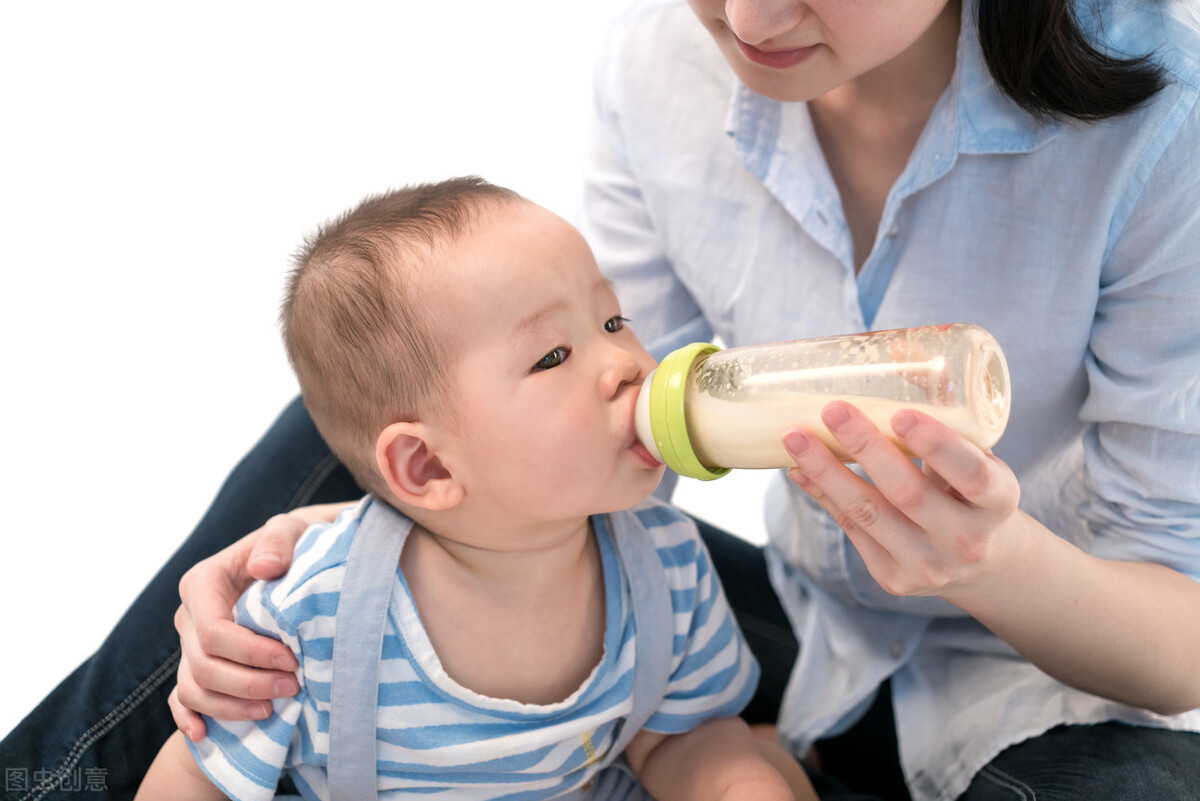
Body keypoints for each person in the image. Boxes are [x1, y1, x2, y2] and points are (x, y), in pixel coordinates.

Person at [4, 0, 1199, 799]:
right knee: (401, 383)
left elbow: (1180, 645)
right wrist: (355, 547)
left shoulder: (1169, 123)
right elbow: (607, 418)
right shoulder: (667, 59)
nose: (748, 19)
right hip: (811, 641)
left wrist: (987, 560)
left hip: (1061, 688)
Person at [132, 177, 816, 801]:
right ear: (428, 467)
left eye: (613, 321)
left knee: (768, 760)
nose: (623, 364)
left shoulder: (666, 565)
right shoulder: (315, 618)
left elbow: (680, 737)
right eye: (553, 356)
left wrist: (736, 781)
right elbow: (198, 776)